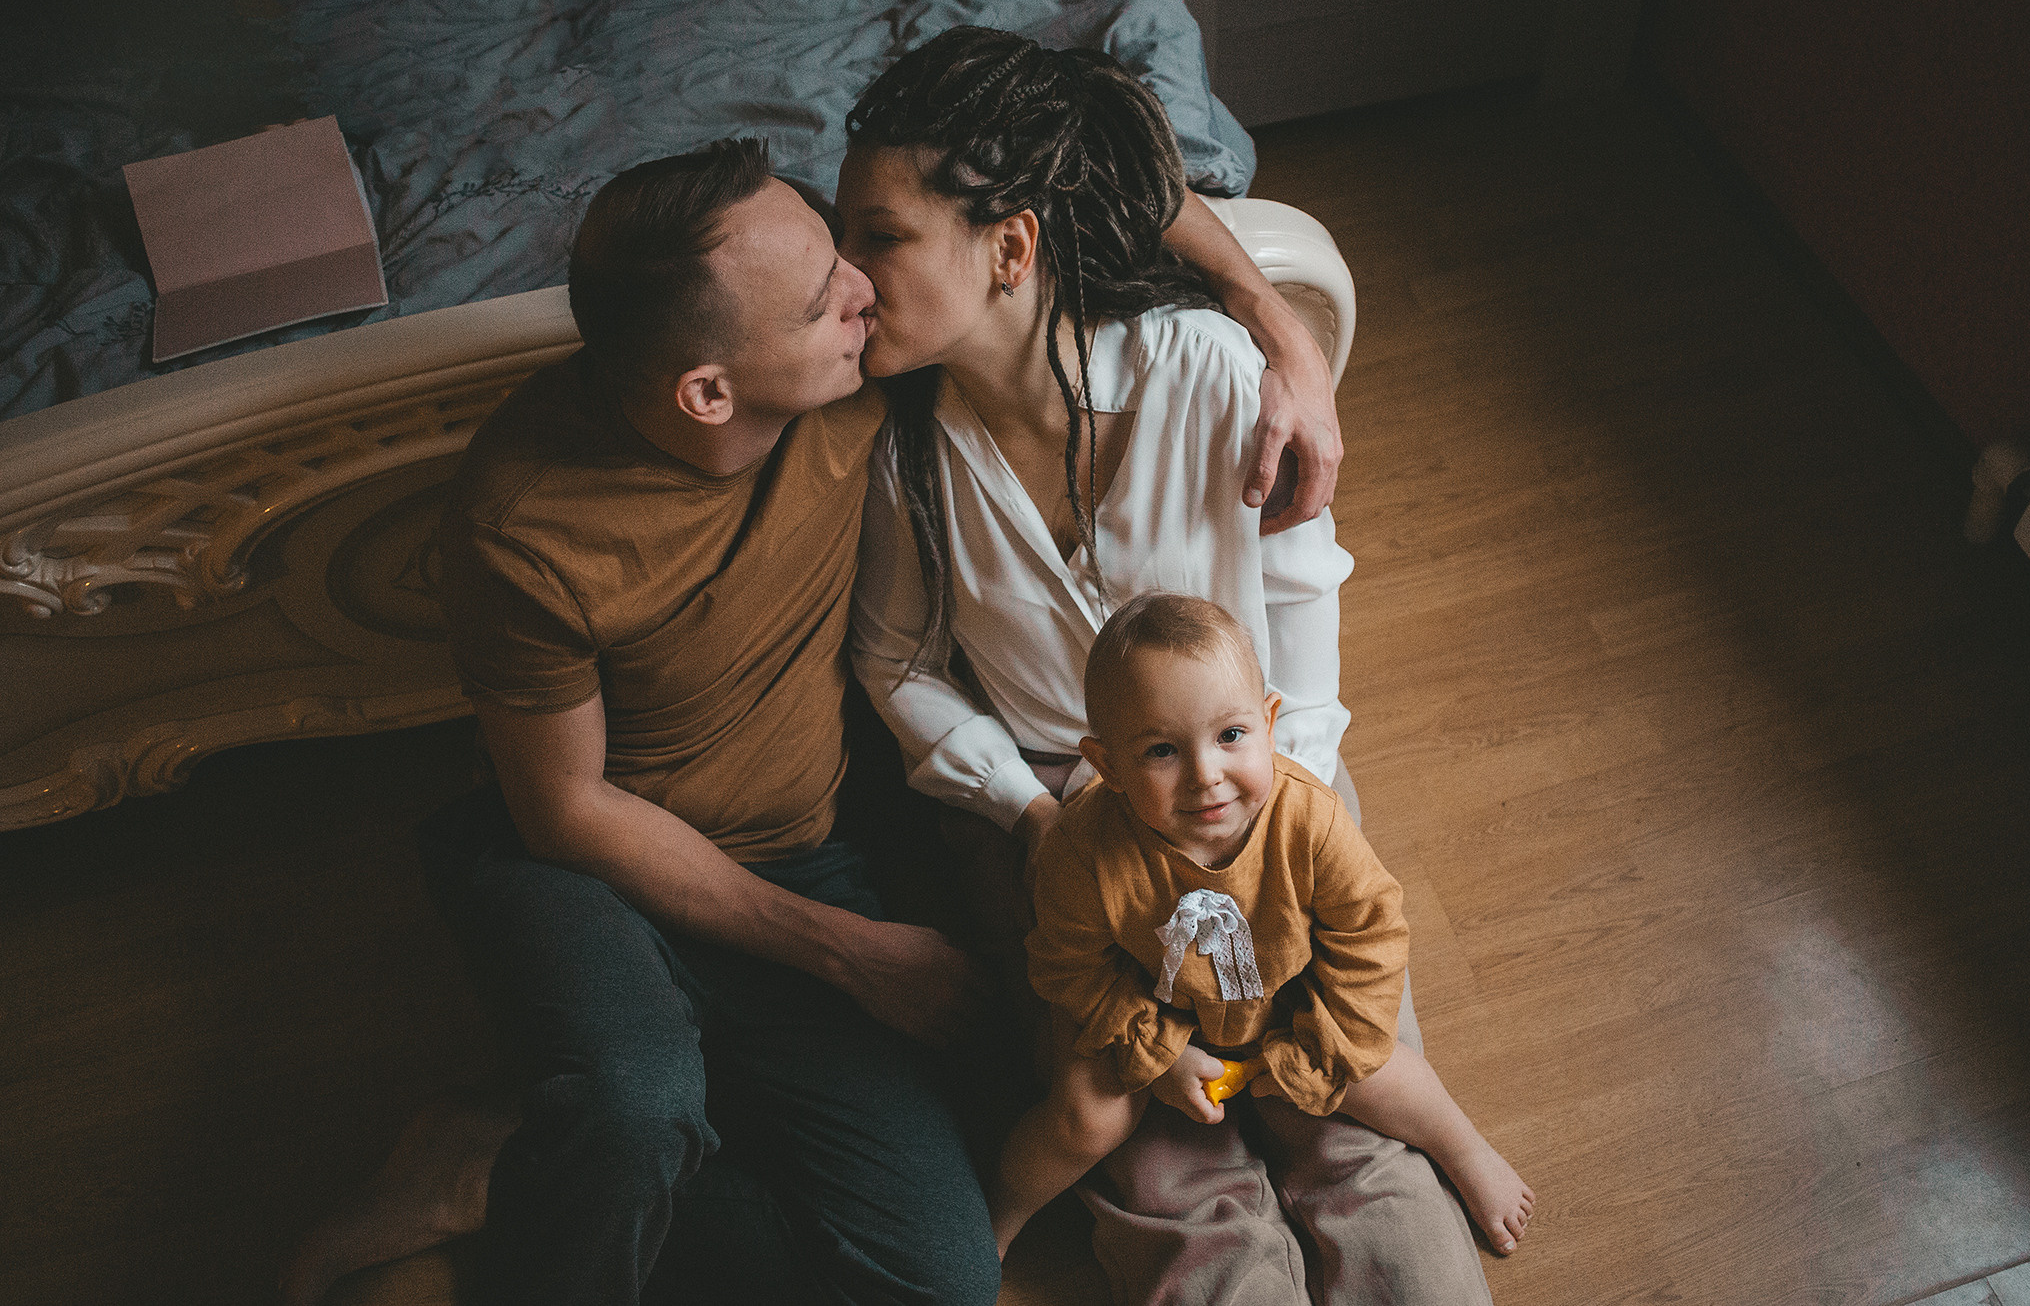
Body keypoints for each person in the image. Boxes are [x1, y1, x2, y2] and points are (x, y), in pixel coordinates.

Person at [283, 96, 1347, 1301]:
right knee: (638, 1110)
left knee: (941, 1279)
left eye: (845, 246)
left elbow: (1084, 152)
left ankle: (526, 1157)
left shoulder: (862, 374)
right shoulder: (522, 524)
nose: (863, 292)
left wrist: (1278, 331)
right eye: (822, 295)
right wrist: (852, 957)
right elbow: (565, 811)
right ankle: (578, 1150)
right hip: (588, 871)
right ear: (707, 393)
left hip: (797, 857)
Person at [837, 26, 1505, 1303]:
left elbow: (1302, 625)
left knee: (1346, 1121)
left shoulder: (1206, 372)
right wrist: (1029, 808)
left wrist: (1273, 828)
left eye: (880, 237)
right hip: (1060, 813)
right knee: (1163, 1164)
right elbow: (895, 661)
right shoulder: (908, 455)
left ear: (1010, 248)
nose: (846, 271)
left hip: (1263, 781)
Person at [990, 593, 1534, 1260]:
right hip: (1162, 1008)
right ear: (1107, 766)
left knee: (1388, 1074)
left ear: (1269, 723)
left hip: (1288, 1004)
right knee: (1082, 1118)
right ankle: (999, 1214)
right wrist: (1158, 1054)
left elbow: (1373, 934)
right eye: (1161, 750)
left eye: (1231, 736)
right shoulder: (1083, 851)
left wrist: (1325, 1042)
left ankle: (1462, 1146)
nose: (1206, 776)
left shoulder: (1311, 819)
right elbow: (1066, 966)